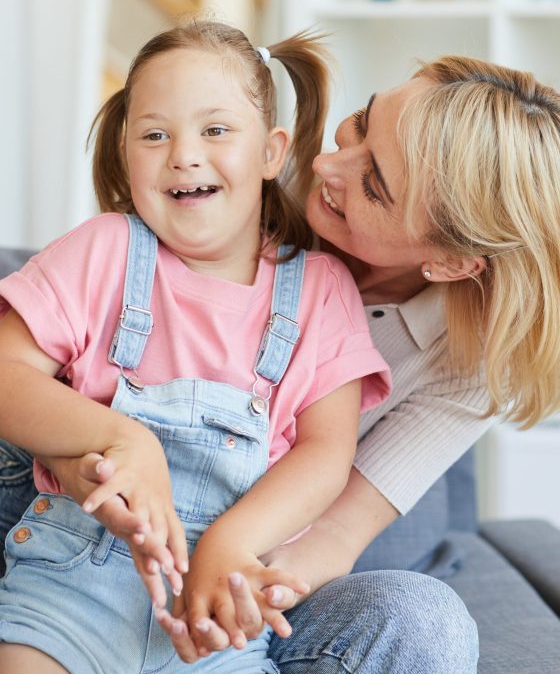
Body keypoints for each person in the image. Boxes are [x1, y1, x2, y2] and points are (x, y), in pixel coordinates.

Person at [2, 52, 559, 672]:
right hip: (80, 513)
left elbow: (333, 522)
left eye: (373, 183)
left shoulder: (443, 353)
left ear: (453, 261)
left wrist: (230, 588)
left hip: (254, 556)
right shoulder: (221, 171)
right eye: (358, 123)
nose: (323, 163)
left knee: (426, 622)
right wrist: (92, 452)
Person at [0, 19, 391, 673]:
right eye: (155, 135)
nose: (183, 153)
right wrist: (128, 441)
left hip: (217, 617)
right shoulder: (105, 249)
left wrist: (233, 542)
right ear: (127, 153)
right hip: (67, 593)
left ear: (271, 152)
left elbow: (328, 453)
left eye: (214, 130)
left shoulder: (321, 290)